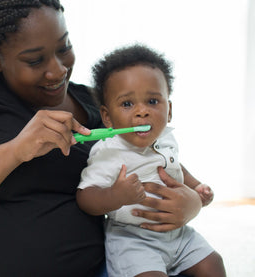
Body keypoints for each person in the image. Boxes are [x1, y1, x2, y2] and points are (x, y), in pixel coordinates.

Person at [0, 1, 203, 276]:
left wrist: (189, 205)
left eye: (64, 48)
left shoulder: (93, 105)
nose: (58, 70)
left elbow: (153, 166)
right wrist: (15, 151)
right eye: (35, 60)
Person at [76, 44, 226, 277]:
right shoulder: (108, 152)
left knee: (213, 264)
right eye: (127, 104)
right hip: (133, 239)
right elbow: (85, 196)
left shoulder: (166, 138)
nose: (142, 112)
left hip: (178, 234)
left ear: (169, 110)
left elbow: (174, 165)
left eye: (153, 102)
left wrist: (196, 187)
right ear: (107, 117)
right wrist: (116, 196)